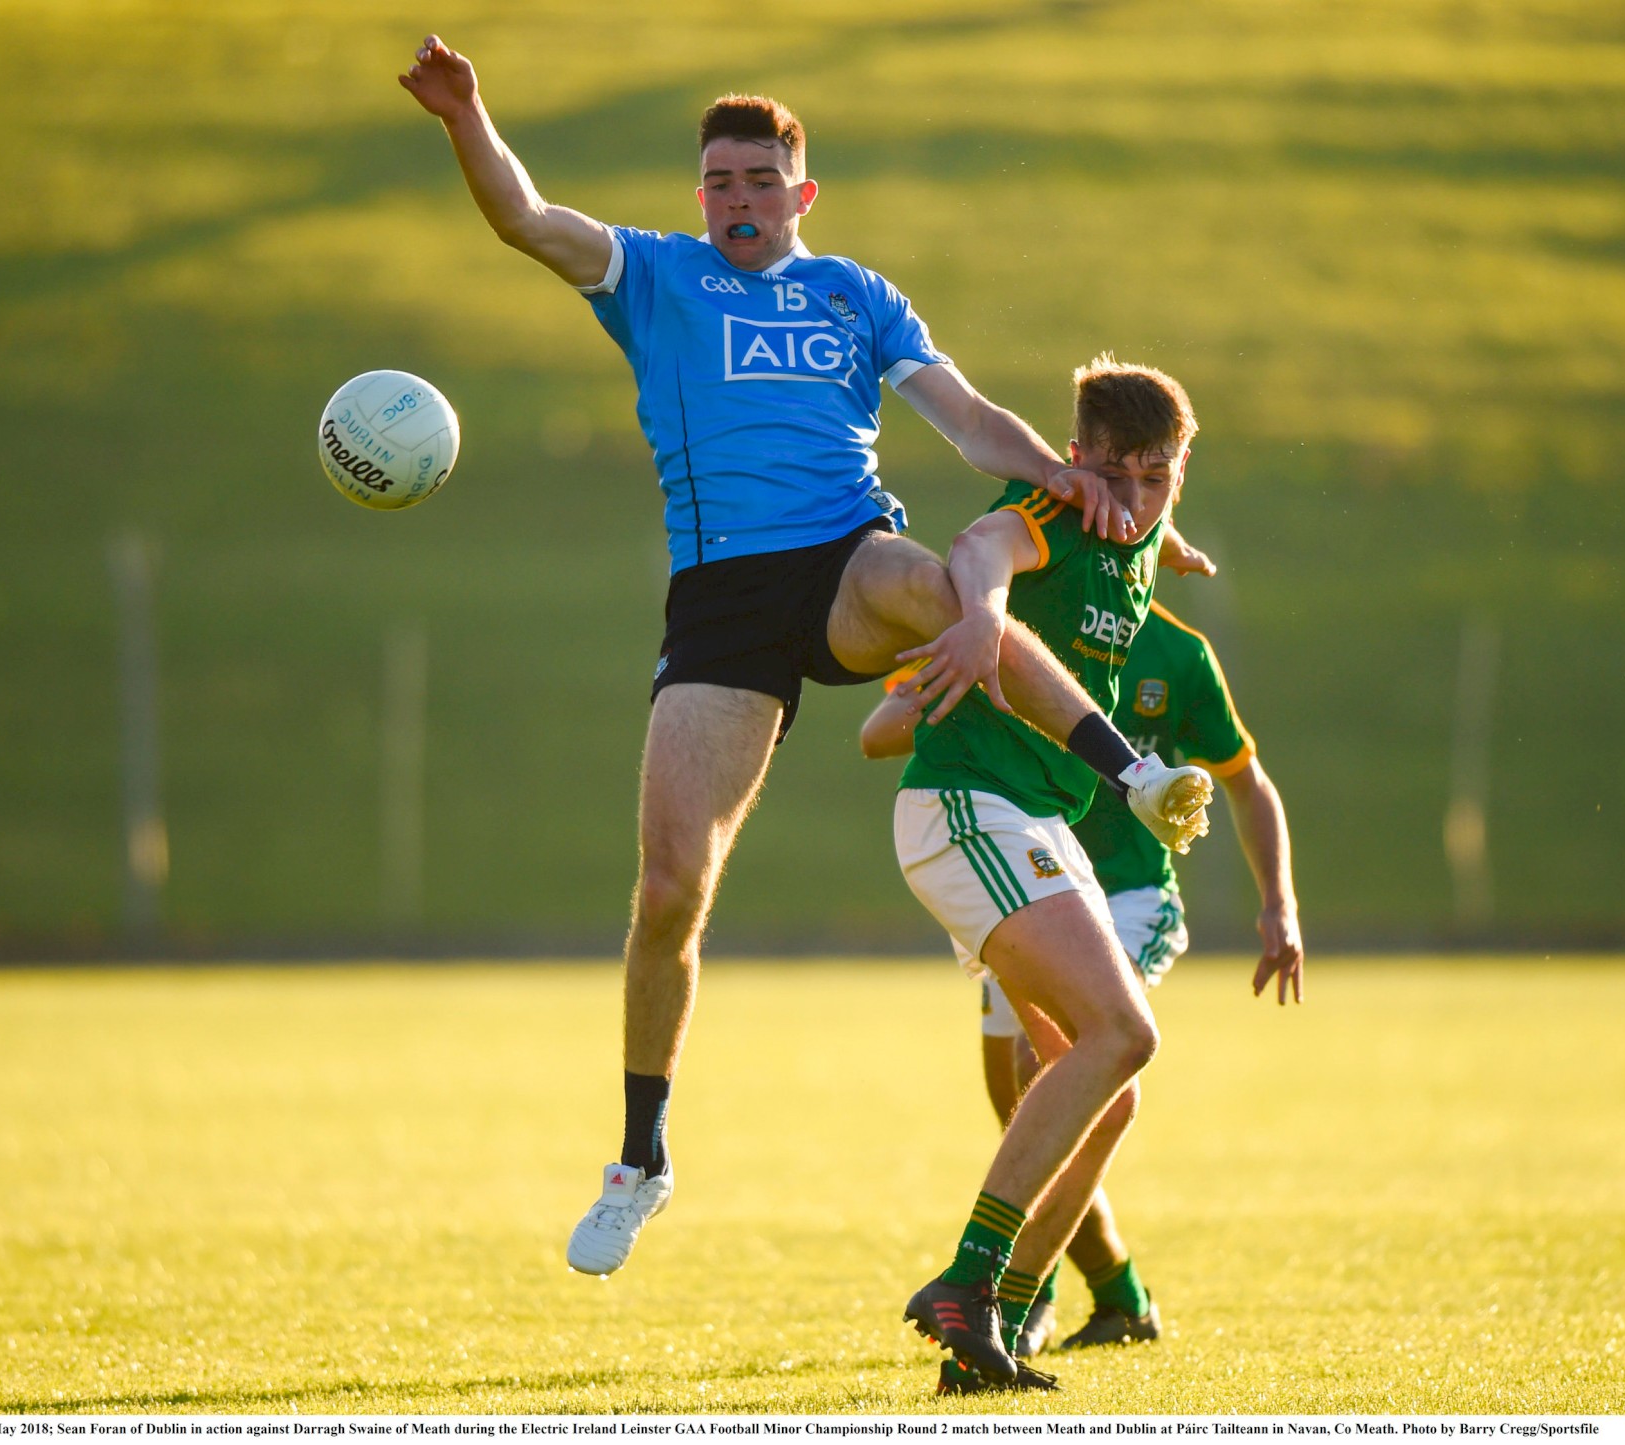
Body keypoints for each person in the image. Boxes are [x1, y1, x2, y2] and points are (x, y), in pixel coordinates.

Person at [398, 40, 1210, 1279]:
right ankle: (640, 1158)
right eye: (718, 180)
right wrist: (466, 113)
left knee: (945, 582)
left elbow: (963, 412)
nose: (736, 199)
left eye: (758, 181)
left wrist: (1062, 474)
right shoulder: (655, 278)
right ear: (699, 195)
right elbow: (522, 216)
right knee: (672, 884)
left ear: (799, 195)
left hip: (842, 557)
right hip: (722, 605)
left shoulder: (853, 296)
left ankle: (1125, 772)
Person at [884, 356, 1219, 1391]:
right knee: (1126, 1034)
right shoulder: (1050, 509)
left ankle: (990, 1328)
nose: (1124, 499)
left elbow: (1146, 532)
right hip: (968, 805)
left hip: (1035, 819)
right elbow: (982, 542)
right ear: (1071, 460)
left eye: (1152, 478)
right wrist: (982, 610)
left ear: (1176, 474)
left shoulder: (1143, 535)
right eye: (1106, 472)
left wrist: (1169, 538)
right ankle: (980, 1284)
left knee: (1105, 1086)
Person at [864, 591, 1304, 1364]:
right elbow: (877, 732)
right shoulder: (1027, 623)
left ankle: (1011, 1292)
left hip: (1129, 895)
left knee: (1075, 1062)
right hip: (1025, 875)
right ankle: (1116, 1289)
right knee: (1023, 1101)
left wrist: (1279, 902)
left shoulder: (1181, 656)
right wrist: (946, 693)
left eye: (1147, 492)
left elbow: (1246, 778)